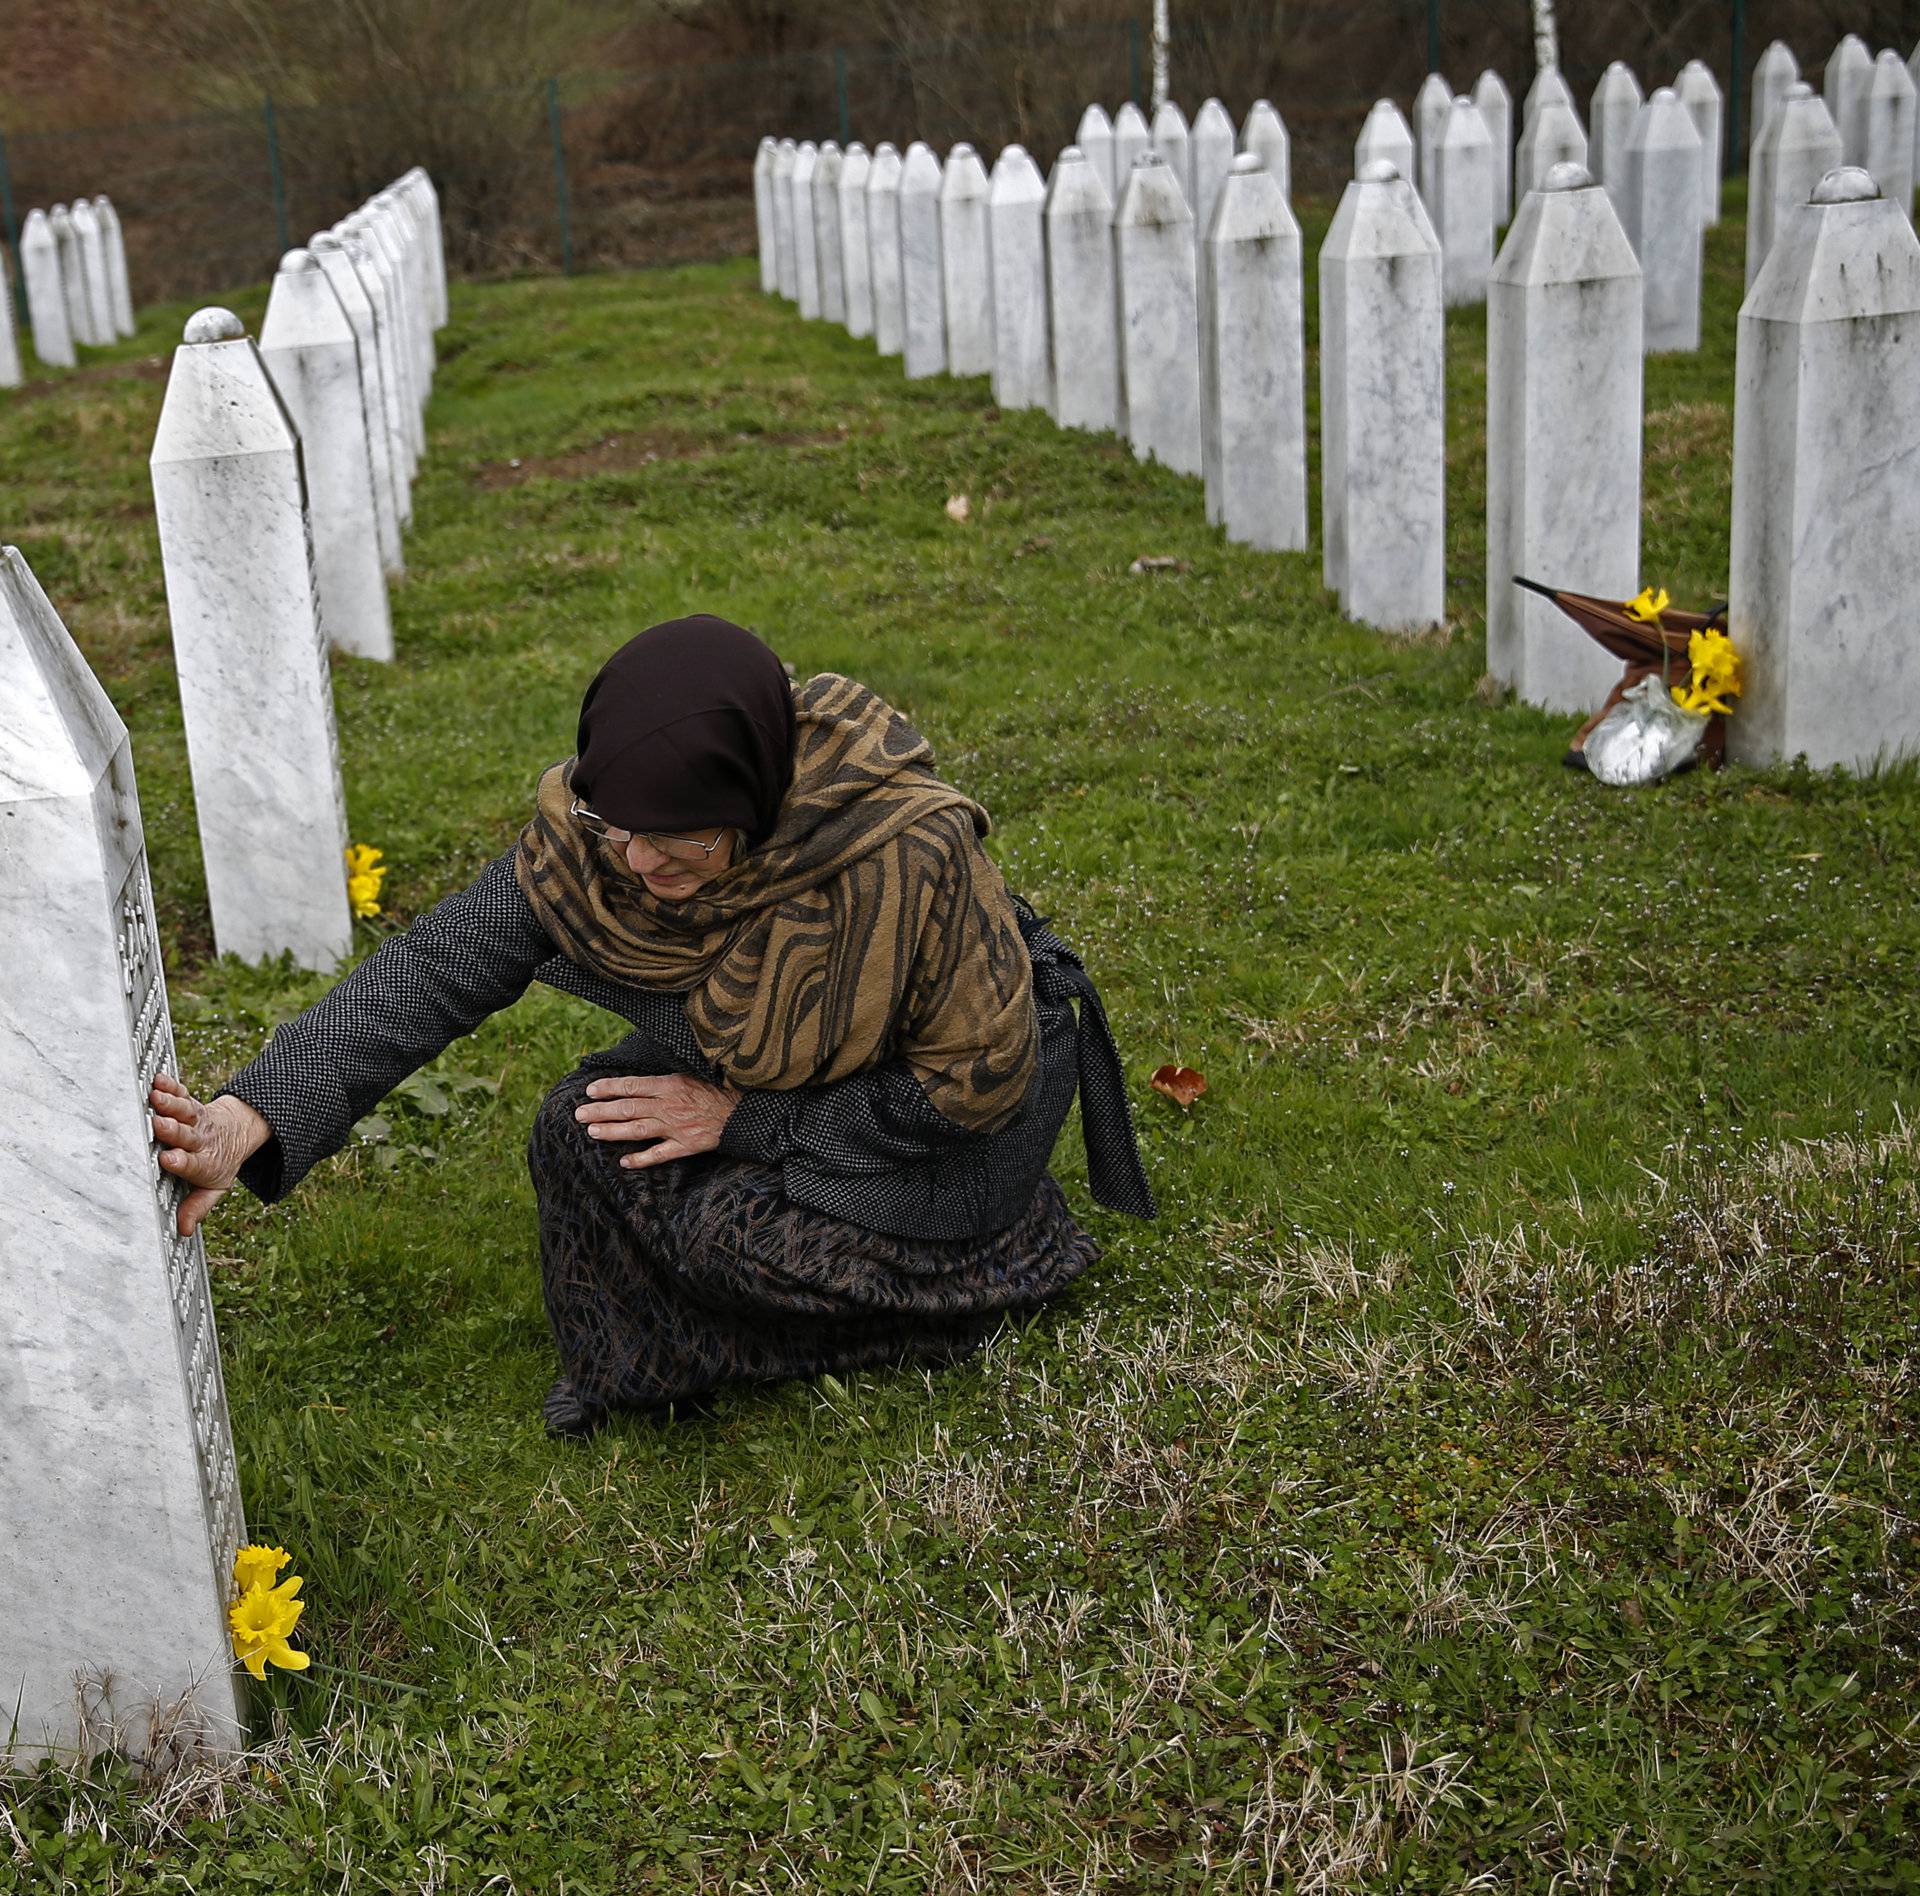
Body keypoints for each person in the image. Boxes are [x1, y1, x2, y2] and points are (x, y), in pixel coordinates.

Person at [151, 617, 1154, 1437]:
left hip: (938, 1128)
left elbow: (974, 1084)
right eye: (617, 834)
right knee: (578, 1129)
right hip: (788, 1081)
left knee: (727, 1241)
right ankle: (638, 1369)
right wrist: (252, 1116)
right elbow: (436, 968)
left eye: (680, 848)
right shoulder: (601, 828)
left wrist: (741, 1122)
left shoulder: (902, 854)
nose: (637, 868)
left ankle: (1001, 1273)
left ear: (754, 809)